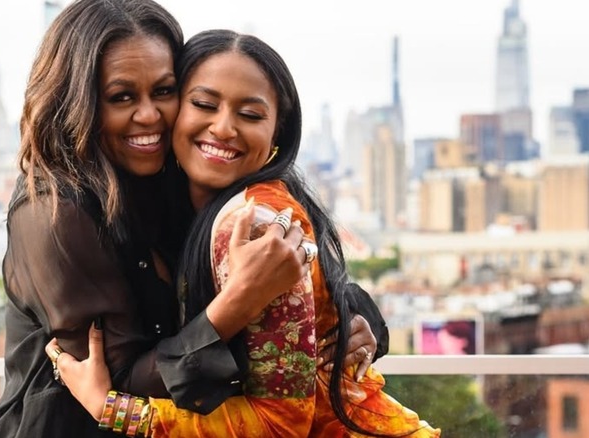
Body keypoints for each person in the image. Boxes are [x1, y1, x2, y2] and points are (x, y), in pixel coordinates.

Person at [0, 1, 383, 437]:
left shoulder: (177, 176)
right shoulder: (55, 212)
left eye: (164, 91)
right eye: (122, 97)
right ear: (77, 103)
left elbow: (327, 289)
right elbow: (122, 389)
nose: (150, 115)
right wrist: (237, 303)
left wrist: (357, 326)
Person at [50, 29, 441, 437]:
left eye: (250, 115)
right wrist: (353, 318)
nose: (223, 128)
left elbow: (280, 424)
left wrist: (112, 409)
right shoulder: (176, 206)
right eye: (203, 104)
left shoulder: (254, 226)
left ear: (277, 133)